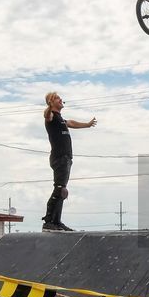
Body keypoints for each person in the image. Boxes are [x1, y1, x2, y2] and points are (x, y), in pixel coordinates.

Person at [41, 91, 97, 232]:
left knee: (62, 190)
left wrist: (87, 125)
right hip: (59, 157)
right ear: (51, 102)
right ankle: (49, 221)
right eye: (57, 98)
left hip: (66, 158)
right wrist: (49, 106)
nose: (61, 100)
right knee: (60, 189)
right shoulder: (51, 117)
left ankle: (56, 222)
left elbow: (71, 122)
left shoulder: (60, 119)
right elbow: (46, 115)